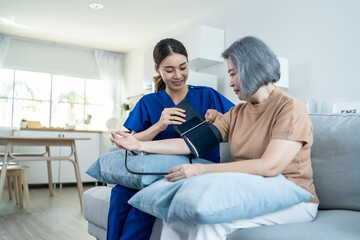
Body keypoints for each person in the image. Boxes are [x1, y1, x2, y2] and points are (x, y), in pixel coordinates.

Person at [110, 36, 319, 240]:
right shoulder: (238, 113)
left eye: (233, 74)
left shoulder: (290, 108)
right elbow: (188, 143)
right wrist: (139, 143)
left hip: (294, 196)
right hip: (252, 189)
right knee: (176, 218)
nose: (229, 83)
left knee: (209, 223)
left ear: (251, 70)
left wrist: (199, 170)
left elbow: (270, 167)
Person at [106, 38, 234, 240]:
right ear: (157, 70)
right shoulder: (149, 101)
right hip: (156, 169)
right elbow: (132, 141)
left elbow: (239, 121)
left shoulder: (208, 95)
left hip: (195, 170)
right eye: (169, 70)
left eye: (183, 67)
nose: (178, 75)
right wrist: (159, 125)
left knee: (145, 200)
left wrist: (219, 118)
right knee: (120, 192)